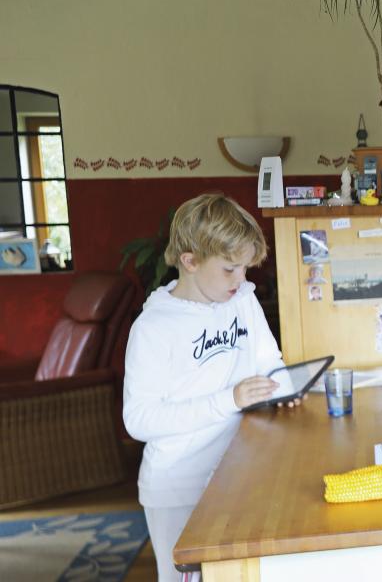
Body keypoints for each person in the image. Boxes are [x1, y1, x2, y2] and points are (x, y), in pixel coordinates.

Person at [123, 193, 300, 582]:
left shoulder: (242, 301)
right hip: (178, 486)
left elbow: (270, 361)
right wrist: (229, 400)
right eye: (230, 269)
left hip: (240, 475)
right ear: (190, 261)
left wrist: (285, 389)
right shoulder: (154, 328)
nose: (242, 280)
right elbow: (139, 420)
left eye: (246, 268)